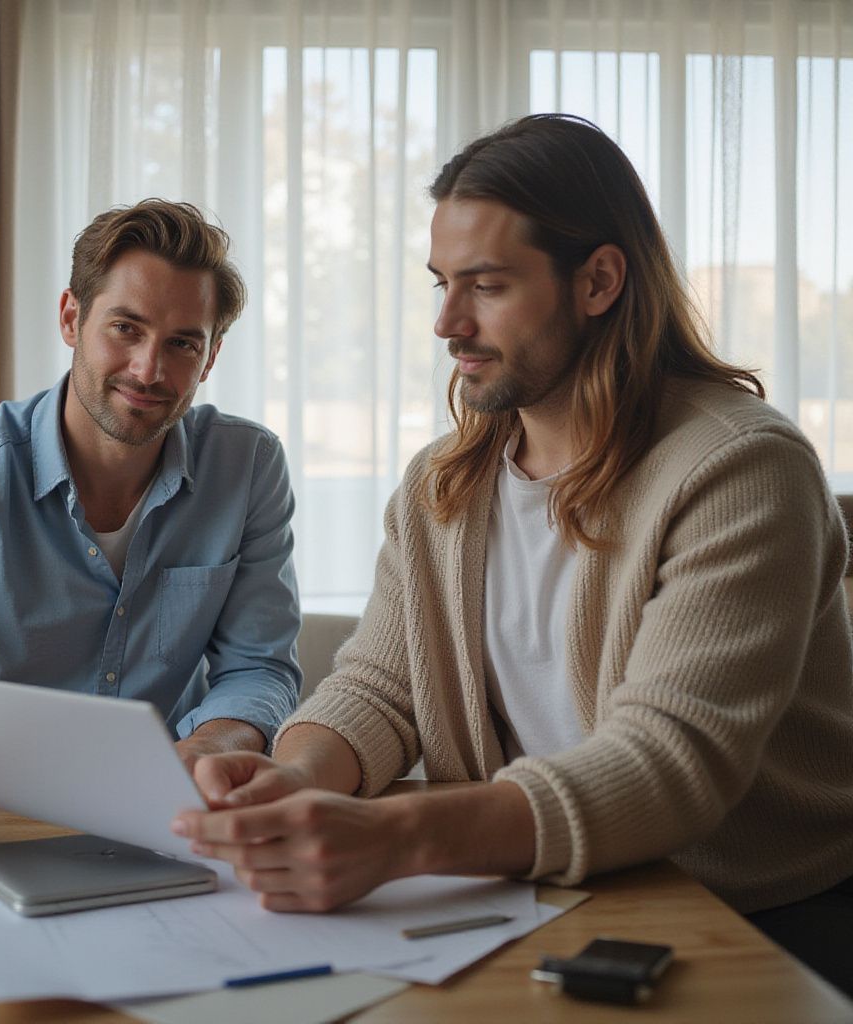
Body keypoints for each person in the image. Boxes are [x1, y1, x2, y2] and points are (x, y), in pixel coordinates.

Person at [172, 116, 853, 997]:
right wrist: (294, 780)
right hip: (535, 895)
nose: (447, 323)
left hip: (751, 915)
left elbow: (668, 762)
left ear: (599, 281)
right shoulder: (441, 485)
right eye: (442, 284)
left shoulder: (741, 467)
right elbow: (381, 686)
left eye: (486, 285)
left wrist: (400, 837)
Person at [0, 199, 301, 860]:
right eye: (126, 329)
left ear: (211, 355)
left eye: (182, 343)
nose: (148, 370)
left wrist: (204, 749)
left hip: (169, 825)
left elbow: (257, 668)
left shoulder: (248, 467)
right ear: (71, 319)